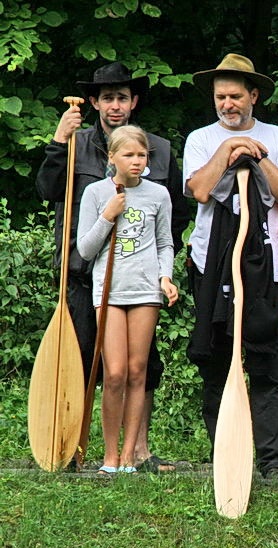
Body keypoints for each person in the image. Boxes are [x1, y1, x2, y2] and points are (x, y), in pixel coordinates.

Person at [36, 62, 190, 472]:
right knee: (84, 357)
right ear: (94, 103)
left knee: (141, 366)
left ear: (133, 101)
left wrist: (156, 266)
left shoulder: (156, 147)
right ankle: (73, 447)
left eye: (123, 97)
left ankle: (136, 451)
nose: (115, 105)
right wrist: (58, 139)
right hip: (81, 269)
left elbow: (172, 216)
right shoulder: (76, 143)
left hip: (136, 277)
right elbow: (48, 190)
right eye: (107, 98)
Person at [183, 53, 278, 480]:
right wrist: (227, 149)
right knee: (216, 358)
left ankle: (274, 461)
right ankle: (226, 454)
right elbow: (198, 189)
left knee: (268, 359)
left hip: (263, 267)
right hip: (209, 266)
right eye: (221, 97)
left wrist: (257, 156)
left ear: (253, 96)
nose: (227, 104)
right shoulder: (200, 138)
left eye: (235, 96)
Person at [76, 125, 178, 474]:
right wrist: (108, 215)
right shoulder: (95, 193)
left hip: (146, 290)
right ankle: (109, 457)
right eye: (128, 155)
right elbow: (85, 250)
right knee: (115, 373)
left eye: (141, 155)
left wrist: (166, 277)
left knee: (138, 371)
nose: (136, 161)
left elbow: (165, 243)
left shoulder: (158, 195)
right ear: (112, 157)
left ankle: (130, 454)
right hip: (109, 291)